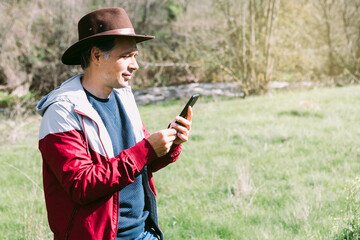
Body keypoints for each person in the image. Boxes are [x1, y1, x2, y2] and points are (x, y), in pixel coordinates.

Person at [36, 7, 192, 240]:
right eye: (126, 56)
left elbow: (137, 164)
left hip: (143, 232)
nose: (135, 65)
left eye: (135, 56)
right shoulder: (62, 111)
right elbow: (82, 185)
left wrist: (169, 144)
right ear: (97, 56)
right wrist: (147, 149)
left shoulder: (123, 97)